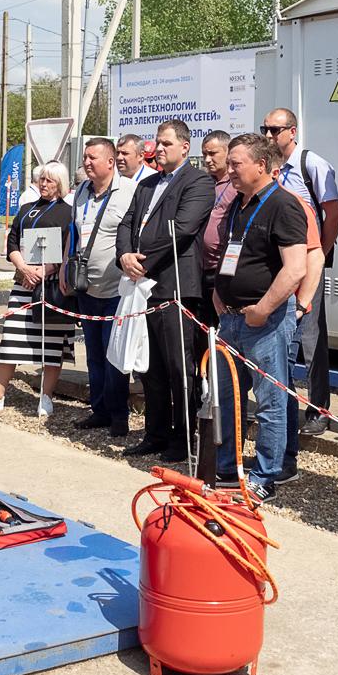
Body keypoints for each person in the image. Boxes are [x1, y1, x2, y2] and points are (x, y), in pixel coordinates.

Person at [211, 133, 307, 498]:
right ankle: (226, 467)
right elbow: (228, 253)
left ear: (262, 166)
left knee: (270, 402)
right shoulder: (238, 203)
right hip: (230, 320)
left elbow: (295, 268)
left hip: (264, 322)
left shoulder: (284, 205)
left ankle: (265, 476)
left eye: (236, 164)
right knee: (226, 397)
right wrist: (217, 293)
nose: (229, 169)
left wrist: (264, 308)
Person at [116, 120, 215, 462]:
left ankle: (182, 438)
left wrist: (141, 261)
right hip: (142, 288)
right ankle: (155, 433)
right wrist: (124, 255)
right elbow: (127, 222)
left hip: (175, 286)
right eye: (157, 143)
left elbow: (183, 229)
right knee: (150, 367)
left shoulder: (198, 182)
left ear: (185, 147)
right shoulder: (146, 185)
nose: (158, 149)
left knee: (178, 367)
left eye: (166, 144)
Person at [261, 107, 338, 438]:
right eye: (265, 129)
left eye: (275, 130)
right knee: (280, 338)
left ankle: (318, 410)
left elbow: (334, 215)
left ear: (292, 132)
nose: (268, 135)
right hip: (278, 268)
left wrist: (318, 256)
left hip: (307, 265)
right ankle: (282, 407)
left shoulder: (312, 165)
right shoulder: (270, 169)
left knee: (311, 340)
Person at [0, 162, 76, 418]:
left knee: (52, 345)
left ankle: (46, 397)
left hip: (52, 287)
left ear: (60, 183)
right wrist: (24, 267)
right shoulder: (26, 209)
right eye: (42, 179)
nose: (44, 184)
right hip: (23, 284)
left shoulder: (69, 213)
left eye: (50, 180)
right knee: (11, 340)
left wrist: (43, 272)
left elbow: (69, 247)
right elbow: (12, 241)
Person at [63, 138, 136, 436]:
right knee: (93, 352)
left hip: (117, 290)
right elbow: (75, 234)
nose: (87, 162)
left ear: (110, 161)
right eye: (85, 158)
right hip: (86, 289)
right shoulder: (81, 192)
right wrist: (66, 269)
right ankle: (100, 410)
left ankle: (119, 415)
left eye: (93, 157)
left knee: (113, 354)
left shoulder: (130, 191)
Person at [266, 141, 327, 485]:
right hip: (246, 314)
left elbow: (314, 256)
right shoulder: (241, 202)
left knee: (280, 387)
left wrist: (302, 304)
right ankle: (265, 453)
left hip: (281, 312)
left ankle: (284, 460)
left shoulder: (294, 206)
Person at [196, 129, 234, 331]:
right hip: (199, 269)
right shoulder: (203, 183)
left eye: (213, 154)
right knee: (202, 331)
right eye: (204, 154)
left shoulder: (236, 184)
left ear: (228, 153)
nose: (207, 159)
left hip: (222, 270)